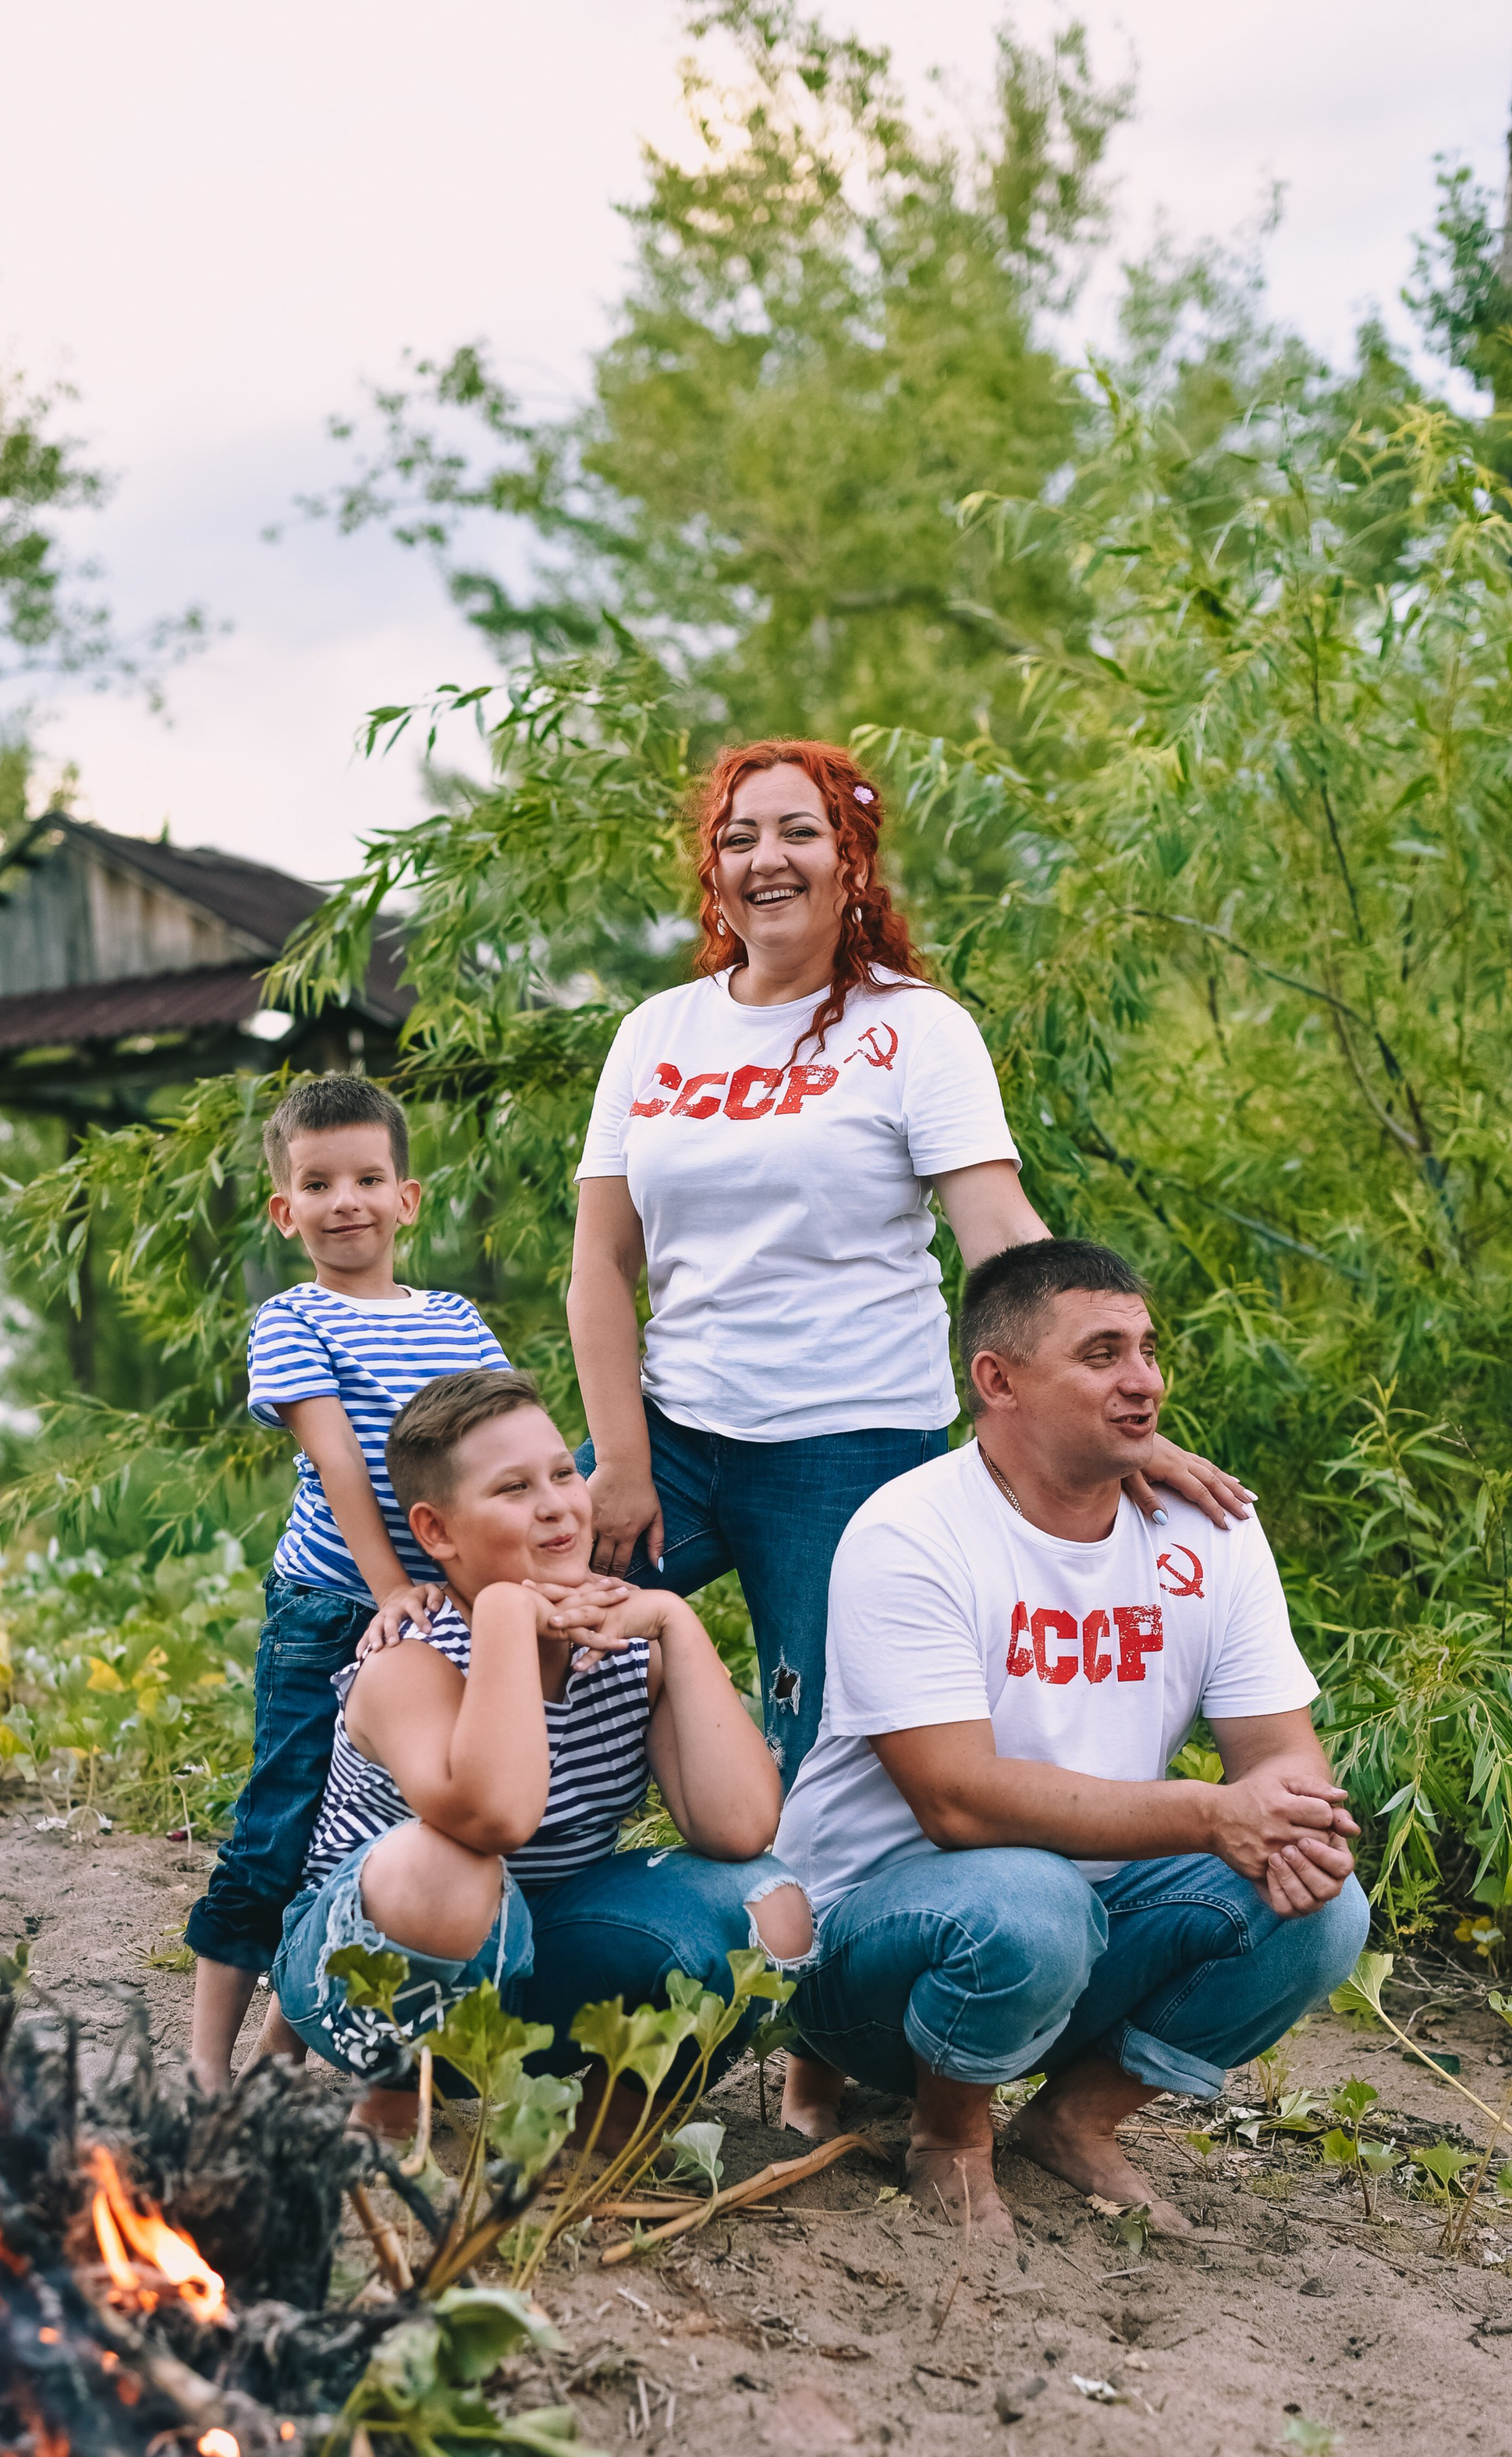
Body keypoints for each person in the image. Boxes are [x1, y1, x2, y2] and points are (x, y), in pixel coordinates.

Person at [567, 740, 1248, 2130]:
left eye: (800, 832)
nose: (769, 858)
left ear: (848, 858)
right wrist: (619, 1457)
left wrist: (1103, 1391)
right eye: (742, 835)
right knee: (521, 1636)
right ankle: (475, 1957)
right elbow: (599, 1265)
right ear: (716, 865)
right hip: (676, 1442)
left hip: (850, 1445)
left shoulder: (911, 1030)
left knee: (828, 1756)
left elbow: (997, 1229)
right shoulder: (660, 1033)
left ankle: (817, 2048)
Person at [774, 1237, 1368, 2240]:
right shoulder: (909, 1532)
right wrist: (1207, 1812)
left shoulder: (1208, 1529)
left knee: (1321, 1908)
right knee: (1029, 1897)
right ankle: (949, 2135)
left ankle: (1073, 2121)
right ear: (996, 1380)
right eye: (1101, 1355)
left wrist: (1293, 1819)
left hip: (1075, 1935)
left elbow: (1279, 1751)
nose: (1142, 1382)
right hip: (870, 1962)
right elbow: (953, 1799)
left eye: (1146, 1349)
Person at [269, 1365, 814, 2138]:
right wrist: (500, 1616)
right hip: (367, 1984)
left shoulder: (625, 1648)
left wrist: (673, 1624)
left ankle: (610, 2118)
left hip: (533, 1979)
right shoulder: (409, 1664)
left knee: (774, 1905)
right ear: (436, 1532)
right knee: (445, 1868)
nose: (556, 1504)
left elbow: (737, 1828)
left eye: (563, 1472)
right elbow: (495, 1818)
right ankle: (392, 2090)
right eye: (513, 1489)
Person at [183, 1074, 507, 2089]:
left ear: (408, 1197)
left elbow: (492, 1451)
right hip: (331, 1608)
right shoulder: (291, 1321)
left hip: (439, 1619)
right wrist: (388, 1590)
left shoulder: (454, 1319)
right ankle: (205, 2062)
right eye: (319, 1184)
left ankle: (290, 2045)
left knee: (376, 1829)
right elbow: (339, 1462)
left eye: (369, 1177)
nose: (347, 1201)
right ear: (287, 1212)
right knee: (281, 1821)